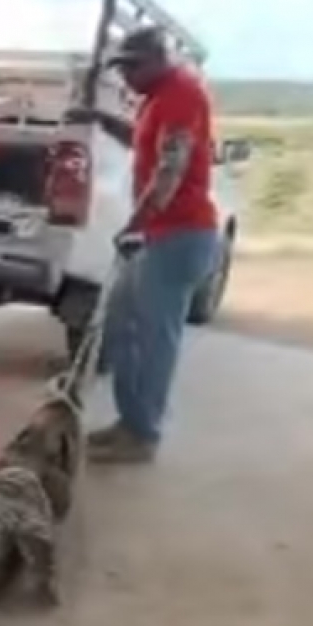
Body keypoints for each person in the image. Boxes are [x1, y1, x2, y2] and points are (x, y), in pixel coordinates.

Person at [65, 27, 220, 464]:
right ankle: (129, 423)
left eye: (134, 66)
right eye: (122, 67)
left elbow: (171, 169)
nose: (127, 76)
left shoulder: (182, 93)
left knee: (154, 338)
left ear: (158, 59)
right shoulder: (157, 97)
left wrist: (136, 224)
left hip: (180, 234)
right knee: (123, 326)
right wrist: (99, 119)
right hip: (160, 233)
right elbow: (142, 138)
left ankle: (142, 433)